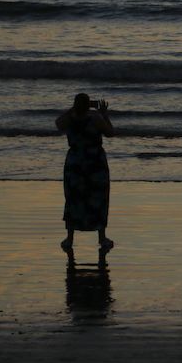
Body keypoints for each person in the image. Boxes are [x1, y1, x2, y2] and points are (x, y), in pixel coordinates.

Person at [56, 93, 115, 254]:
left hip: (75, 162)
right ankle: (102, 238)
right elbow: (110, 132)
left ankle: (69, 238)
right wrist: (104, 114)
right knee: (99, 198)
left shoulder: (69, 119)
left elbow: (58, 123)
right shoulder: (95, 118)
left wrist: (72, 109)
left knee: (73, 198)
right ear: (88, 104)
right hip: (95, 162)